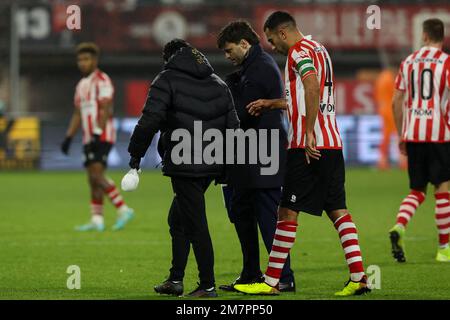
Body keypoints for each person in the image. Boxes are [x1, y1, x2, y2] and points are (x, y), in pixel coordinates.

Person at [233, 11, 370, 296]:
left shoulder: (297, 52)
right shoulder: (320, 49)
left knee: (286, 211)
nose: (271, 45)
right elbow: (304, 94)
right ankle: (359, 277)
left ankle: (271, 282)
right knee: (337, 210)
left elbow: (311, 84)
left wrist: (308, 131)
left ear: (282, 32)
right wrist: (273, 104)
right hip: (331, 143)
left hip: (307, 145)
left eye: (271, 39)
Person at [125, 39, 239, 298]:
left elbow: (150, 119)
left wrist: (135, 155)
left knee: (195, 223)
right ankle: (175, 280)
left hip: (185, 163)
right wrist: (228, 166)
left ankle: (207, 285)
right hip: (212, 163)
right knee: (178, 219)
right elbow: (233, 127)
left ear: (169, 58)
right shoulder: (218, 83)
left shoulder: (166, 79)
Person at [216, 20, 295, 292]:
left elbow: (242, 113)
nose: (227, 56)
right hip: (249, 152)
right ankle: (251, 273)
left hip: (264, 152)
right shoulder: (250, 68)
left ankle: (283, 277)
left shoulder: (260, 68)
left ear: (244, 44)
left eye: (229, 50)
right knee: (241, 211)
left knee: (267, 215)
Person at [389, 18, 450, 263]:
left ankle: (399, 226)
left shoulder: (408, 62)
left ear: (424, 36)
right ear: (442, 38)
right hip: (439, 134)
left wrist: (401, 133)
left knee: (417, 190)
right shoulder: (447, 63)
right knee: (442, 189)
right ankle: (444, 249)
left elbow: (396, 102)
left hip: (413, 133)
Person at [61, 42, 134, 232]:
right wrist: (68, 137)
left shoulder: (102, 80)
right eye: (79, 60)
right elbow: (78, 113)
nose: (82, 63)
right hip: (89, 137)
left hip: (102, 135)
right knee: (91, 179)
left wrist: (97, 132)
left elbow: (106, 108)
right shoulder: (82, 85)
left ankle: (123, 209)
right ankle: (97, 220)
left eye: (86, 59)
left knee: (96, 175)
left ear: (95, 60)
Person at [374, 67, 407, 170]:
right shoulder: (390, 78)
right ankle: (402, 161)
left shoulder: (381, 78)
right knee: (398, 134)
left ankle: (382, 161)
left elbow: (376, 95)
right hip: (390, 110)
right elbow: (397, 94)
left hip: (382, 109)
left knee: (386, 136)